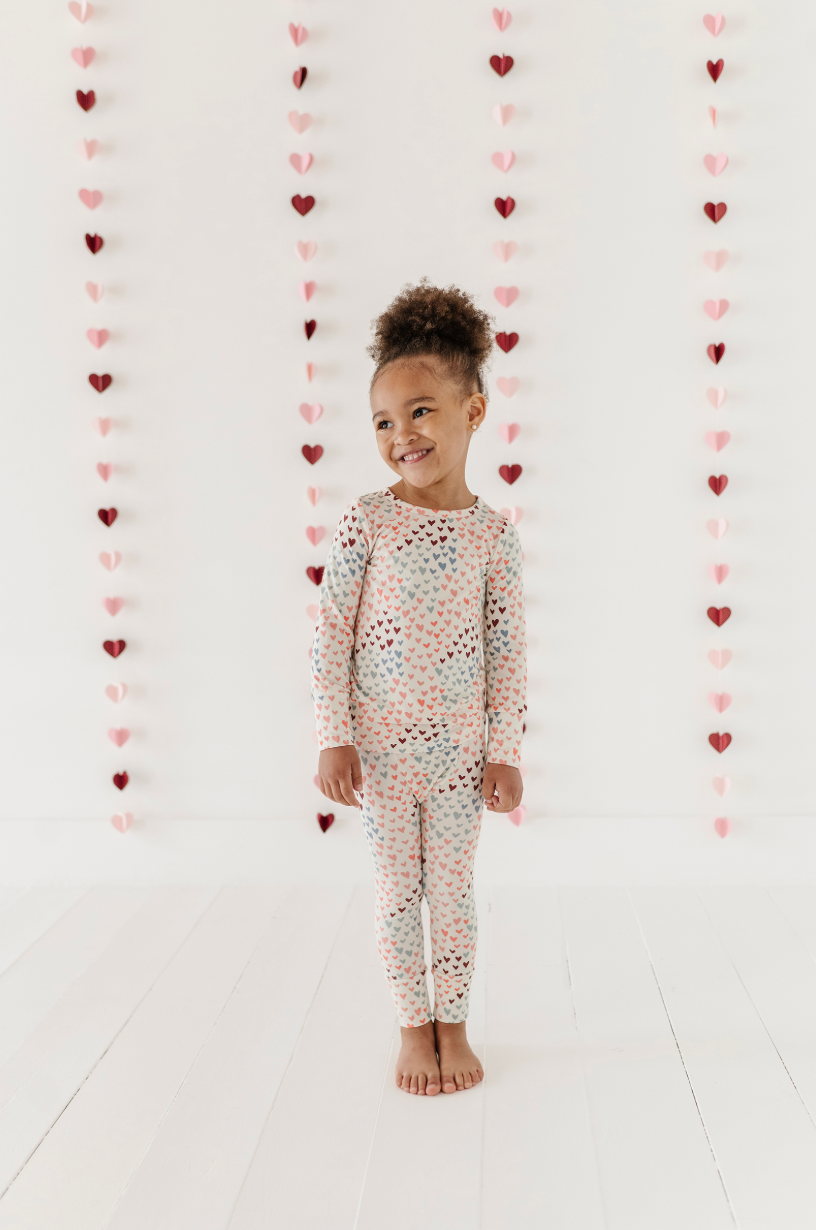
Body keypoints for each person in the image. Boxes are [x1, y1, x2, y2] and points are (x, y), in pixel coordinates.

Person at [310, 278, 527, 1096]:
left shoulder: (493, 537)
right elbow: (331, 635)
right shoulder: (368, 522)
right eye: (383, 421)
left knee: (454, 893)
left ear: (473, 411)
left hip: (461, 760)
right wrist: (334, 736)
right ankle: (412, 1026)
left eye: (421, 411)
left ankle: (454, 1025)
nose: (401, 434)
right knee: (399, 894)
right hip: (383, 758)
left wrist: (504, 752)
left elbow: (507, 654)